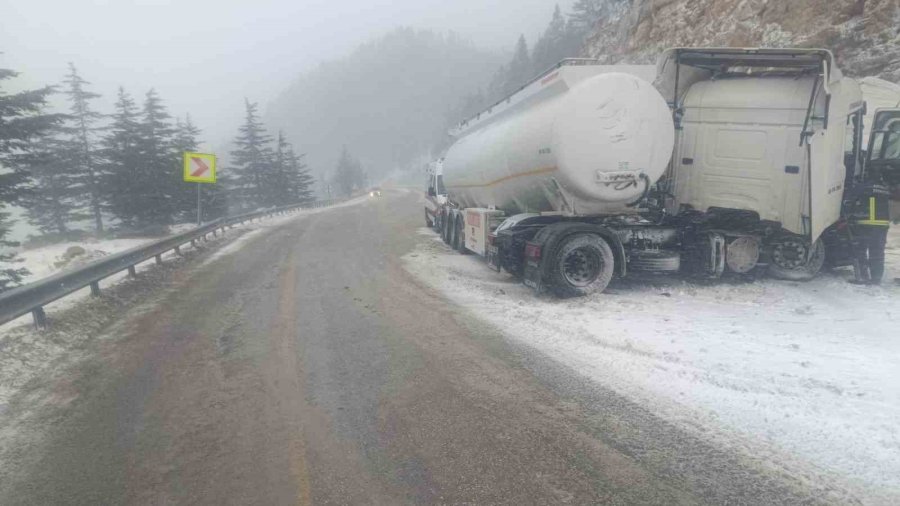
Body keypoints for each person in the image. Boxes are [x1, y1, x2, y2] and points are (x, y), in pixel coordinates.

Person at [848, 181, 891, 284]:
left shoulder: (862, 185)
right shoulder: (884, 187)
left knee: (861, 250)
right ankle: (876, 278)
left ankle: (862, 276)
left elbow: (850, 200)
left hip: (864, 223)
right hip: (881, 224)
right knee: (877, 252)